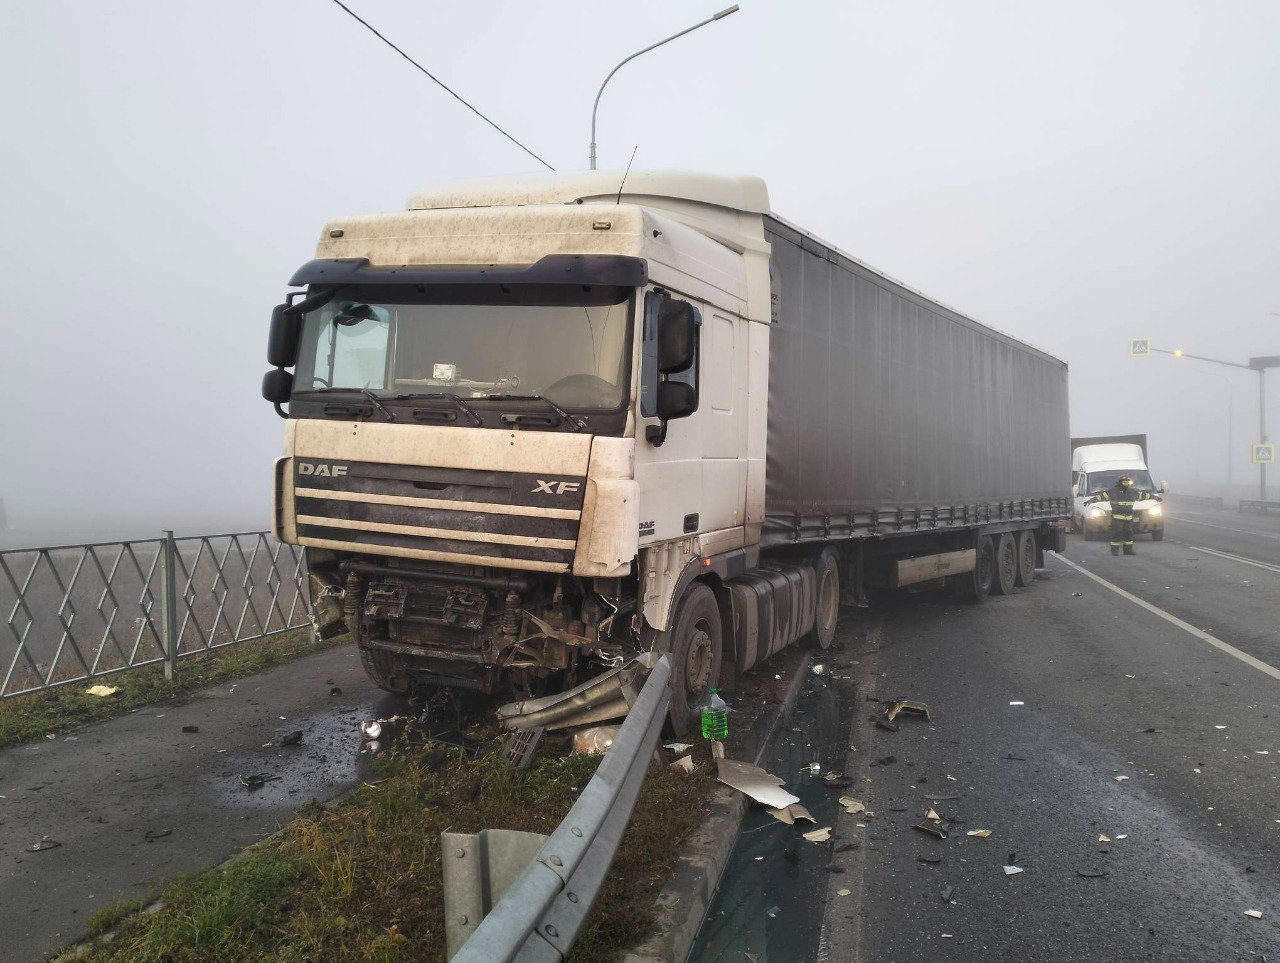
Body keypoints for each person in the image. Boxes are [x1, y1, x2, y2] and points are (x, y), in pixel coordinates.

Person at [1086, 475, 1155, 556]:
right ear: (1120, 482)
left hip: (1128, 518)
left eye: (1127, 482)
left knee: (1129, 534)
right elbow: (1102, 497)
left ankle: (1128, 550)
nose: (1125, 483)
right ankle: (1115, 551)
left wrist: (1155, 497)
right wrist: (1091, 500)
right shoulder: (1113, 491)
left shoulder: (1132, 491)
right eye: (1124, 482)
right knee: (1117, 533)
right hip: (1117, 517)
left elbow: (1143, 495)